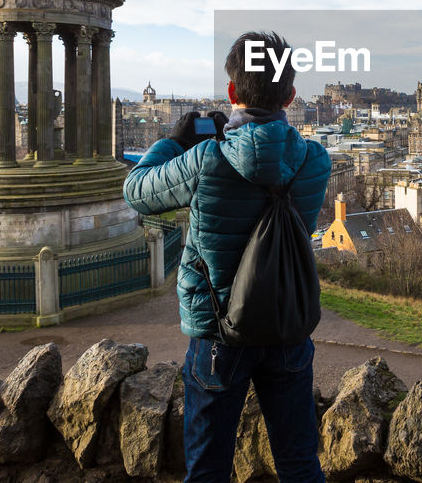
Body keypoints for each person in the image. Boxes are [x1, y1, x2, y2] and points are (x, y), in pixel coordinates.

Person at [124, 31, 329, 483]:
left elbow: (136, 191)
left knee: (207, 469)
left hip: (219, 332)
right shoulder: (315, 159)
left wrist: (172, 142)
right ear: (291, 96)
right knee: (299, 463)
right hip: (287, 325)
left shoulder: (207, 157)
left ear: (232, 92)